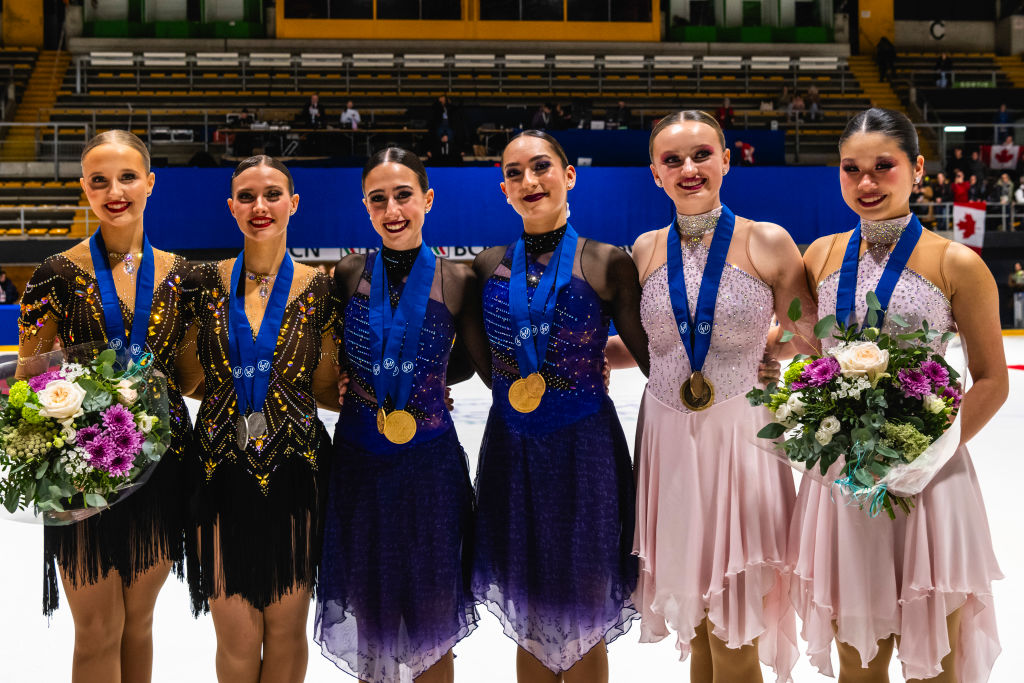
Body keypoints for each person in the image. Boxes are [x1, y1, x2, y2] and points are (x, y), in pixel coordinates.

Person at [791, 107, 1006, 682]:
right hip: (844, 479)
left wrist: (926, 457)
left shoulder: (955, 260)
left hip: (930, 480)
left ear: (916, 169)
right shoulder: (820, 255)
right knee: (857, 662)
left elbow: (991, 380)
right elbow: (804, 351)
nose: (866, 182)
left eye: (883, 167)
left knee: (933, 659)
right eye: (850, 169)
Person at [605, 110, 812, 683]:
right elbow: (654, 347)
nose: (688, 168)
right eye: (672, 160)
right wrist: (584, 360)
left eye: (701, 155)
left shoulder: (766, 240)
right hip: (668, 438)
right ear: (654, 173)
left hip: (741, 438)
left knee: (735, 626)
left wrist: (768, 350)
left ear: (726, 159)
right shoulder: (644, 249)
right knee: (696, 623)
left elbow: (807, 330)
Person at [17, 129, 198, 682]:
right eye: (100, 181)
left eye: (126, 178)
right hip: (78, 470)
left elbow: (192, 377)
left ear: (150, 183)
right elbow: (28, 384)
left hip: (165, 465)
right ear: (84, 190)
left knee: (138, 623)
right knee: (96, 629)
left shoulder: (185, 277)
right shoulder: (54, 275)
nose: (115, 191)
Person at [471, 130, 650, 683]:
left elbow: (652, 354)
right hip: (513, 449)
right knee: (529, 611)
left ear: (568, 175)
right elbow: (486, 365)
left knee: (584, 612)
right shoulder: (486, 265)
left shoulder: (606, 261)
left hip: (585, 451)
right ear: (503, 188)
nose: (530, 181)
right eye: (516, 173)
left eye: (541, 167)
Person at [315, 147, 488, 683]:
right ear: (366, 207)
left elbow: (473, 363)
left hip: (429, 463)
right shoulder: (347, 274)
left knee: (434, 618)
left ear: (428, 199)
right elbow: (329, 357)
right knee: (374, 613)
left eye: (404, 195)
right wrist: (345, 380)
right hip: (360, 462)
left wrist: (428, 384)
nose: (392, 209)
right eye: (379, 199)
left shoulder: (458, 280)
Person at [183, 155, 340, 681]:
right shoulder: (202, 283)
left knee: (286, 628)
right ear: (231, 207)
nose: (260, 206)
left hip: (298, 470)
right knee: (236, 633)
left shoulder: (321, 288)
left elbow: (327, 386)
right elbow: (184, 376)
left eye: (272, 194)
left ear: (293, 203)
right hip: (217, 473)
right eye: (247, 196)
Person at [1009, 262, 1024, 327]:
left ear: (1020, 267)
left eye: (1018, 266)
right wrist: (1017, 284)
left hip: (1023, 294)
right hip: (1015, 296)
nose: (1017, 268)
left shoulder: (1022, 274)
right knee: (1017, 311)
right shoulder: (1012, 275)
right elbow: (1010, 284)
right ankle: (1017, 325)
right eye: (1016, 266)